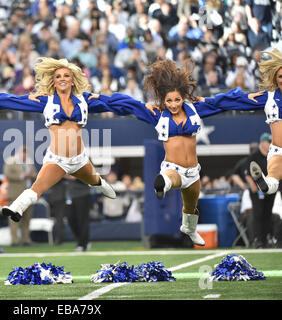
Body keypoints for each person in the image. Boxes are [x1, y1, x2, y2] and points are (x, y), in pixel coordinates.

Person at [98, 58, 264, 246]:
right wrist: (100, 98)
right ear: (163, 99)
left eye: (177, 99)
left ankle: (189, 229)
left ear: (182, 96)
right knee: (170, 178)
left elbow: (221, 102)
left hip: (193, 171)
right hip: (172, 167)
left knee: (191, 206)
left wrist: (246, 99)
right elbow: (129, 105)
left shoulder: (194, 109)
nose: (174, 104)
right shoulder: (157, 114)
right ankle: (162, 184)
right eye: (169, 100)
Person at [0, 57, 125, 224]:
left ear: (72, 80)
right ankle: (16, 208)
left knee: (94, 179)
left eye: (66, 75)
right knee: (38, 187)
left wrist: (142, 106)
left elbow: (113, 103)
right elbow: (12, 101)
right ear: (53, 81)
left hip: (80, 159)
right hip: (57, 160)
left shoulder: (84, 99)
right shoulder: (45, 100)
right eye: (58, 77)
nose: (62, 79)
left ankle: (99, 184)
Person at [239, 49, 282, 197]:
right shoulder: (268, 97)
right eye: (281, 76)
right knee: (273, 176)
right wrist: (208, 101)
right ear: (275, 78)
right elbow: (236, 102)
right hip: (278, 151)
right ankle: (265, 184)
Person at [3, 146, 37, 246]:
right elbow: (7, 174)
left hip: (28, 195)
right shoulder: (11, 161)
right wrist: (22, 176)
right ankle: (15, 241)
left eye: (26, 153)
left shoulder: (29, 162)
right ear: (19, 153)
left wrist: (32, 175)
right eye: (23, 152)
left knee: (27, 218)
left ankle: (26, 239)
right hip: (15, 195)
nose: (25, 155)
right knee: (14, 219)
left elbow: (35, 174)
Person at [65, 175, 93, 252]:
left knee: (82, 220)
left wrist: (77, 176)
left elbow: (90, 176)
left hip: (83, 193)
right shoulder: (65, 162)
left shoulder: (86, 162)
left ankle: (82, 244)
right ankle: (82, 240)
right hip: (70, 194)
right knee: (70, 219)